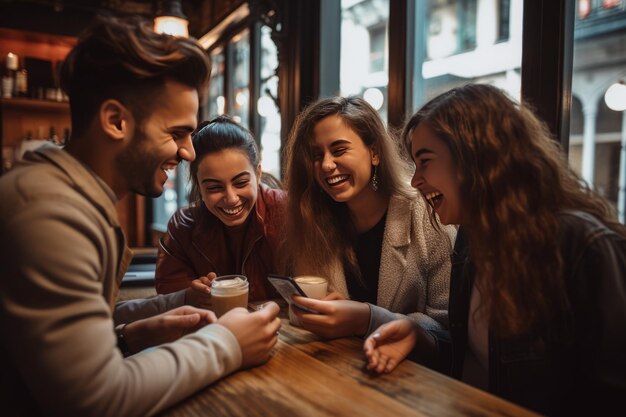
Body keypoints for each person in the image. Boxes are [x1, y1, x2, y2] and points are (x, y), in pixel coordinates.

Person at [0, 17, 280, 417]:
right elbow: (96, 400)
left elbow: (66, 341)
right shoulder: (48, 213)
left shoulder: (65, 195)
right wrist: (227, 343)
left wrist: (131, 333)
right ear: (116, 121)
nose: (187, 152)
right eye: (178, 133)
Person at [363, 84, 626, 416]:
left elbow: (613, 395)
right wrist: (419, 335)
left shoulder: (580, 244)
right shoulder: (472, 239)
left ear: (476, 158)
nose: (415, 181)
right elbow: (479, 360)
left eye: (425, 162)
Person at [282, 96, 455, 339]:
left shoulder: (424, 212)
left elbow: (447, 327)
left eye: (339, 150)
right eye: (316, 155)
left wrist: (367, 319)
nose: (326, 165)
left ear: (374, 152)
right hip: (340, 364)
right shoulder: (313, 217)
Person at [155, 115, 286, 306]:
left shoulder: (288, 214)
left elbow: (311, 287)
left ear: (257, 174)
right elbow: (168, 295)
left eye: (241, 183)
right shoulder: (183, 227)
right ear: (199, 186)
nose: (231, 198)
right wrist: (193, 294)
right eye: (214, 188)